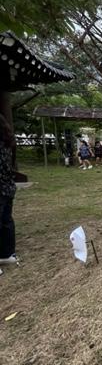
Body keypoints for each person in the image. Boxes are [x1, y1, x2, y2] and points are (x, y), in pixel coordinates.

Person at [0, 113, 17, 270]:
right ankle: (7, 254)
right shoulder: (7, 141)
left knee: (5, 221)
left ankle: (6, 254)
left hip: (3, 186)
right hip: (8, 187)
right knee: (6, 221)